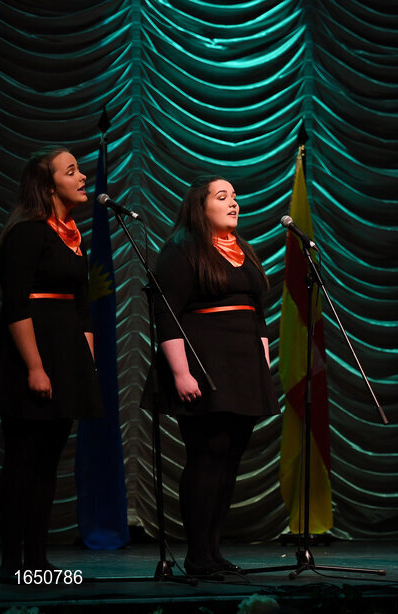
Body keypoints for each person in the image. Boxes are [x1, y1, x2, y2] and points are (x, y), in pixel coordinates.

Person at [0, 146, 104, 583]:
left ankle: (37, 560)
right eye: (72, 171)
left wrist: (84, 365)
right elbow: (15, 305)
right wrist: (34, 367)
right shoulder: (27, 234)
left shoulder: (72, 237)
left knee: (48, 464)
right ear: (49, 185)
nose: (83, 176)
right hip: (29, 355)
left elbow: (83, 309)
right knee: (22, 460)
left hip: (66, 355)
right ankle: (11, 563)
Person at [145, 176, 278, 577]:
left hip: (243, 369)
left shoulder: (244, 251)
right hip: (203, 365)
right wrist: (181, 373)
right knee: (208, 457)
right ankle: (197, 554)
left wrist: (263, 363)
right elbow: (166, 315)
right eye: (223, 197)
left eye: (235, 197)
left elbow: (259, 314)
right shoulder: (181, 251)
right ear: (199, 208)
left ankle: (214, 551)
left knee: (230, 461)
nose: (234, 203)